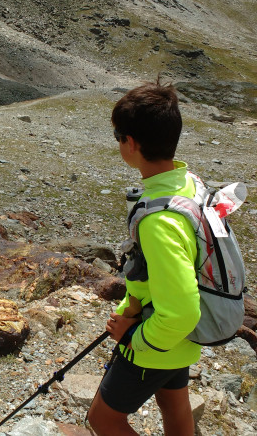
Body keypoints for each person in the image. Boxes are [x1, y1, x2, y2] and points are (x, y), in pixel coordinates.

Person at [88, 79, 202, 436]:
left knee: (103, 419)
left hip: (154, 340)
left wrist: (132, 337)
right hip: (178, 343)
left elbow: (183, 311)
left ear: (131, 143)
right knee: (175, 407)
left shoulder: (158, 222)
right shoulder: (188, 184)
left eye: (118, 136)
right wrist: (132, 304)